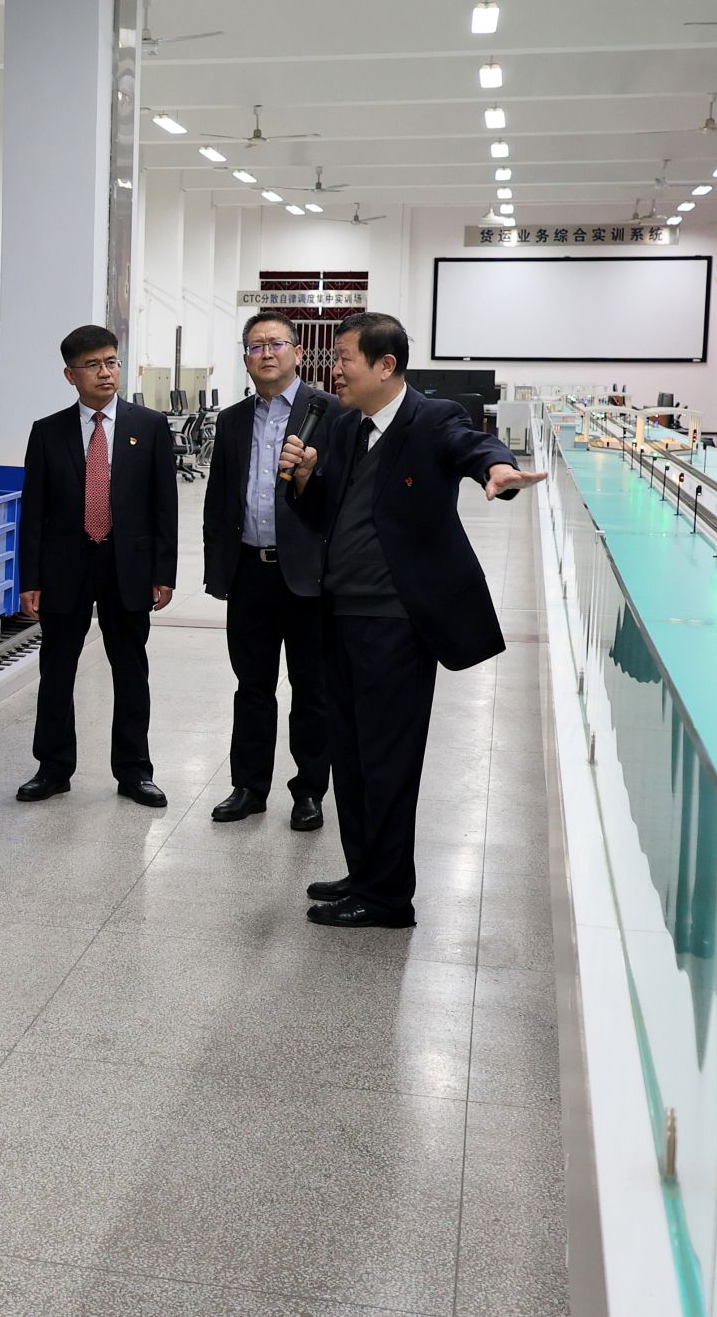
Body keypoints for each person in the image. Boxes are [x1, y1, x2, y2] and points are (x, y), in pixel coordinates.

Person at [279, 311, 545, 929]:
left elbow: (474, 447)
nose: (334, 370)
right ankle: (365, 873)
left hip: (395, 623)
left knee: (387, 761)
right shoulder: (345, 426)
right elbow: (325, 516)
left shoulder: (433, 418)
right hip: (339, 614)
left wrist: (499, 472)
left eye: (344, 358)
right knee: (349, 755)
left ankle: (389, 897)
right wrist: (306, 480)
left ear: (385, 365)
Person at [16, 324, 177, 807]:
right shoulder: (48, 432)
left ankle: (134, 770)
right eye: (92, 365)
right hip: (65, 565)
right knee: (57, 669)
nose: (105, 372)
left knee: (130, 670)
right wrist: (30, 579)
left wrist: (163, 573)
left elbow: (164, 506)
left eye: (111, 362)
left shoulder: (150, 426)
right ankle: (52, 767)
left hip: (127, 565)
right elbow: (33, 512)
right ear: (71, 375)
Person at [203, 311, 337, 832]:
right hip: (249, 575)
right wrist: (219, 569)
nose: (266, 353)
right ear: (245, 359)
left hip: (309, 578)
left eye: (276, 343)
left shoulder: (331, 412)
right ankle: (248, 786)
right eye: (256, 346)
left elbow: (340, 497)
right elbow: (219, 499)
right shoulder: (233, 419)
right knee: (252, 686)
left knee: (311, 689)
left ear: (298, 353)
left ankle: (309, 792)